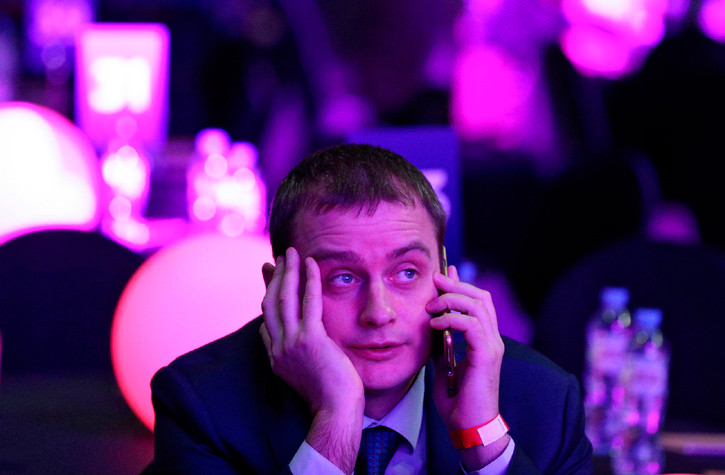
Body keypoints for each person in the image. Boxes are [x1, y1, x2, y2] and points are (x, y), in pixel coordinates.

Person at [147, 143, 592, 474]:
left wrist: (482, 439)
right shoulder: (202, 404)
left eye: (406, 273)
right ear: (279, 288)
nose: (378, 313)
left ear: (445, 274)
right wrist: (336, 420)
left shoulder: (543, 399)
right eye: (342, 278)